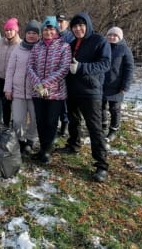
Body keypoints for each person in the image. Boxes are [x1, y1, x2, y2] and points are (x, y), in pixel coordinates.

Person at [56, 13, 111, 182]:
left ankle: (101, 164)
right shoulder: (72, 43)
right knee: (74, 120)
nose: (78, 29)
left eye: (81, 25)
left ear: (87, 25)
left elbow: (105, 64)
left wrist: (82, 67)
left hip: (90, 91)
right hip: (72, 89)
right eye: (74, 26)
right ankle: (74, 145)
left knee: (94, 127)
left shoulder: (99, 41)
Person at [27, 17, 71, 164]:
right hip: (37, 92)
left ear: (56, 31)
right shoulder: (36, 47)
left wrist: (45, 84)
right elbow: (30, 67)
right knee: (40, 121)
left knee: (51, 122)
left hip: (55, 93)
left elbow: (64, 69)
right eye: (46, 29)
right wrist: (39, 85)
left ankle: (46, 150)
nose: (48, 32)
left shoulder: (64, 47)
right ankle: (42, 149)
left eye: (51, 29)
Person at [4, 20, 41, 154]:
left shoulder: (41, 49)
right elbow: (10, 70)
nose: (31, 35)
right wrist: (8, 88)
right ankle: (21, 140)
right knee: (18, 120)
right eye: (29, 33)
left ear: (39, 35)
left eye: (34, 33)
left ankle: (31, 140)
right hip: (18, 91)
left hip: (35, 93)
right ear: (25, 34)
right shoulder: (18, 49)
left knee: (36, 120)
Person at [102, 26, 134, 143]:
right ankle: (103, 125)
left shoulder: (125, 49)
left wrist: (125, 86)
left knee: (114, 109)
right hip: (102, 84)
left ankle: (113, 130)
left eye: (115, 35)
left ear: (120, 37)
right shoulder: (103, 47)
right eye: (110, 35)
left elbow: (129, 69)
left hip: (117, 87)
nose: (112, 37)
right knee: (100, 107)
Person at [0, 17, 21, 127]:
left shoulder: (20, 45)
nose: (8, 32)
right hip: (0, 78)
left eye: (10, 30)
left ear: (16, 31)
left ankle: (16, 127)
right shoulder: (0, 44)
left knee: (14, 105)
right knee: (4, 104)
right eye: (6, 30)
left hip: (14, 81)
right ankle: (6, 126)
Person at [56, 14, 75, 136]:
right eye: (57, 22)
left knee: (65, 103)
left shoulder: (71, 38)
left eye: (61, 22)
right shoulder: (53, 35)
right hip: (53, 74)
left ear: (67, 24)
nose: (59, 24)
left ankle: (65, 124)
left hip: (68, 75)